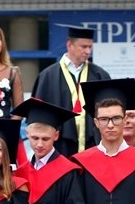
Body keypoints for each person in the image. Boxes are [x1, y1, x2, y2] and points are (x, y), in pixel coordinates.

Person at [30, 25, 111, 156]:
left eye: (90, 47)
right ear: (69, 45)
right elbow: (38, 116)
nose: (88, 51)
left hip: (92, 143)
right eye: (83, 47)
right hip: (60, 145)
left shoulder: (100, 75)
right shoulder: (48, 76)